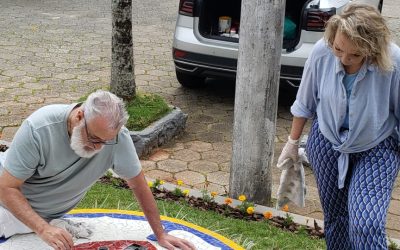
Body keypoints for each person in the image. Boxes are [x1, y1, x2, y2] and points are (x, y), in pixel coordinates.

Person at [0, 90, 196, 250]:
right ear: (79, 116)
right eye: (94, 138)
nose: (98, 148)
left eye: (106, 141)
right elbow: (7, 188)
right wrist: (43, 229)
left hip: (44, 215)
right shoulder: (39, 127)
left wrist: (160, 233)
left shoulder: (117, 138)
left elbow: (138, 184)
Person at [277, 3, 400, 250]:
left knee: (366, 224)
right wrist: (292, 142)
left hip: (376, 145)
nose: (344, 59)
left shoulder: (394, 60)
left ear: (373, 48)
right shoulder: (322, 51)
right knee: (336, 219)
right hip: (327, 141)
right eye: (339, 49)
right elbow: (305, 101)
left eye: (355, 55)